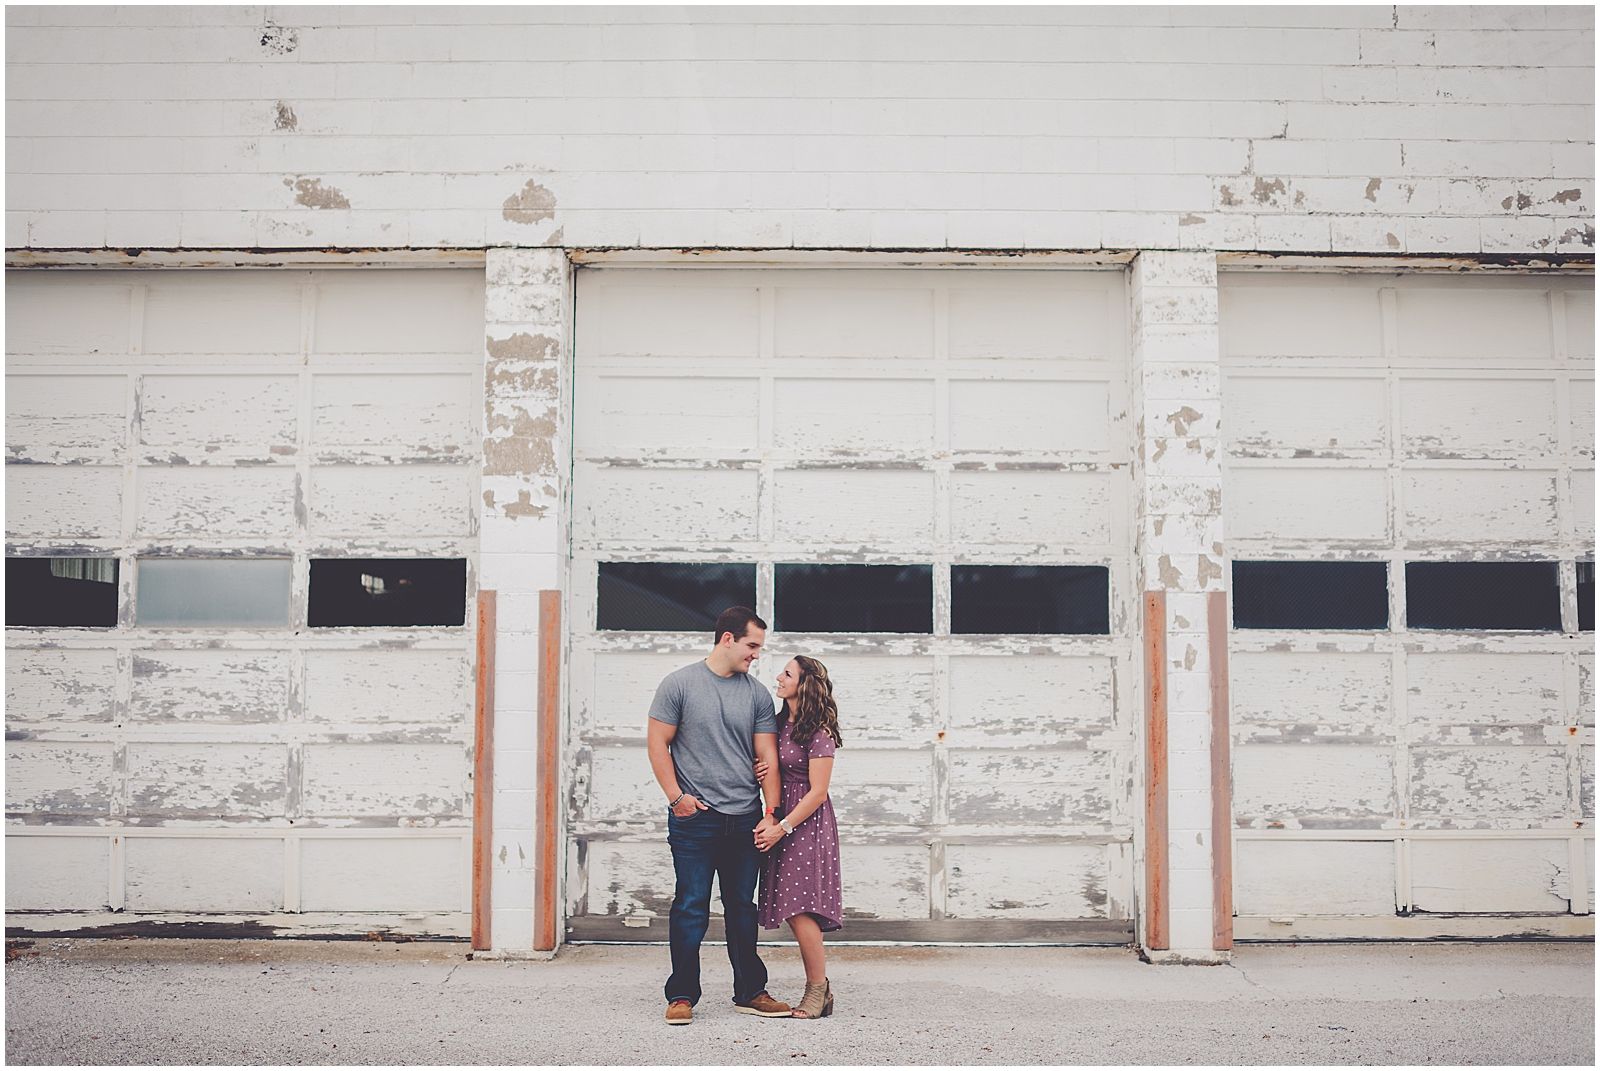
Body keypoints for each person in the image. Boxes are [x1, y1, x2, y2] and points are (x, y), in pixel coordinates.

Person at [646, 606, 791, 1026]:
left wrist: (772, 813)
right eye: (752, 645)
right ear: (727, 639)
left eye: (759, 648)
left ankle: (750, 991)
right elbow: (658, 744)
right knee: (690, 906)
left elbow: (767, 756)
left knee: (741, 908)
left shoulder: (757, 695)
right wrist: (677, 798)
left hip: (744, 819)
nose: (756, 655)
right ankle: (682, 995)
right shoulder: (679, 685)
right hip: (696, 819)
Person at [754, 655, 843, 1020]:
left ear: (804, 684)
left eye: (787, 673)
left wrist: (782, 826)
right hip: (781, 817)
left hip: (806, 823)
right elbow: (770, 764)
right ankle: (821, 987)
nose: (778, 677)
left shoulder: (818, 730)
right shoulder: (775, 724)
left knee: (800, 909)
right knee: (793, 907)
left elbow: (818, 791)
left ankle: (817, 989)